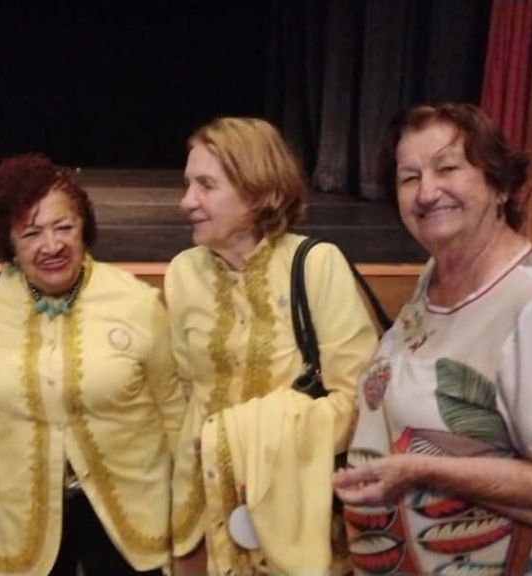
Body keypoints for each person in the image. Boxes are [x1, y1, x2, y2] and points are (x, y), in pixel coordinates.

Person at [332, 103, 532, 574]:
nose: (426, 192)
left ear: (500, 185)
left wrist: (423, 470)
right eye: (409, 177)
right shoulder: (437, 276)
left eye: (448, 168)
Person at [0, 154, 185, 575]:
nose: (52, 245)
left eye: (64, 227)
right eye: (31, 233)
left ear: (83, 227)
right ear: (8, 242)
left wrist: (190, 514)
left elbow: (174, 411)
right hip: (18, 521)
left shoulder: (136, 300)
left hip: (131, 519)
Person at [166, 117, 379, 574]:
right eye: (187, 184)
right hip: (204, 510)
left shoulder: (316, 265)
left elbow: (358, 402)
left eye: (206, 185)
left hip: (290, 515)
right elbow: (185, 393)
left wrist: (240, 438)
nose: (187, 201)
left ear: (258, 191)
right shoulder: (183, 272)